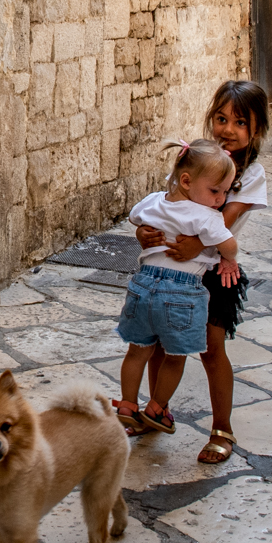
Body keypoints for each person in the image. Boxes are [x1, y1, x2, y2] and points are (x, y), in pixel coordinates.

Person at [137, 80, 270, 463]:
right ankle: (157, 411)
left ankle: (222, 428)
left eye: (240, 123)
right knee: (159, 342)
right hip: (171, 267)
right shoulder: (196, 159)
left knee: (212, 349)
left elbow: (223, 220)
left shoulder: (252, 174)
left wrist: (196, 244)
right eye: (221, 118)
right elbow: (165, 206)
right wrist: (143, 232)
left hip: (213, 274)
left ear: (256, 129)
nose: (228, 129)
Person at [113, 139, 241, 437]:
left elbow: (134, 216)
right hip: (181, 292)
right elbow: (230, 244)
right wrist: (229, 258)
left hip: (142, 286)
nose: (220, 199)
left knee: (137, 353)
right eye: (215, 191)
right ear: (186, 181)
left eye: (225, 192)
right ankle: (157, 408)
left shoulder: (154, 200)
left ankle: (127, 405)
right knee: (175, 356)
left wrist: (142, 230)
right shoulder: (207, 216)